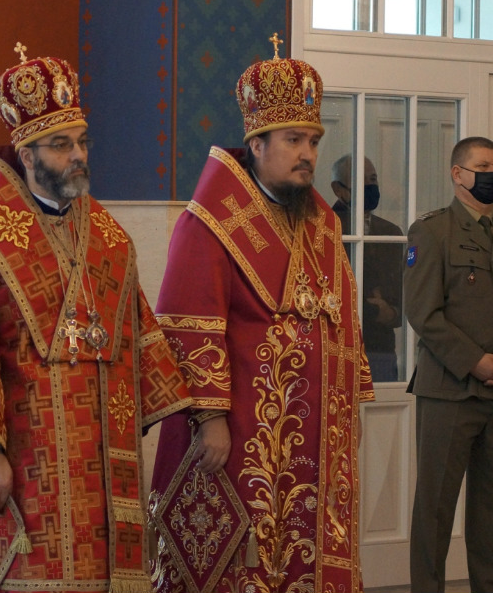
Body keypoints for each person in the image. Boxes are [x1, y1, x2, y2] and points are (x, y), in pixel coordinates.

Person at [0, 46, 192, 593]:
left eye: (82, 142)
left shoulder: (109, 237)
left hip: (103, 453)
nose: (78, 156)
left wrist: (194, 413)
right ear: (26, 154)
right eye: (61, 144)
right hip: (28, 455)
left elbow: (139, 332)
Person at [150, 35, 375, 592]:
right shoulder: (209, 222)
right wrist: (210, 418)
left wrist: (350, 399)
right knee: (244, 559)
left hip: (316, 430)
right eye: (294, 140)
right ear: (256, 143)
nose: (308, 154)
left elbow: (341, 317)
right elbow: (188, 326)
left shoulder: (322, 223)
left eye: (313, 142)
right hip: (244, 429)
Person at [404, 136, 493, 593]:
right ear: (458, 174)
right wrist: (475, 362)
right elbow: (423, 312)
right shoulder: (431, 231)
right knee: (435, 506)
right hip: (449, 391)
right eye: (483, 167)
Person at [332, 154, 404, 382]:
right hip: (335, 346)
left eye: (372, 179)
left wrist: (391, 313)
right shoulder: (323, 228)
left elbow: (403, 294)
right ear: (338, 189)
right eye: (360, 180)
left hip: (380, 348)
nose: (369, 186)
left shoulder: (392, 233)